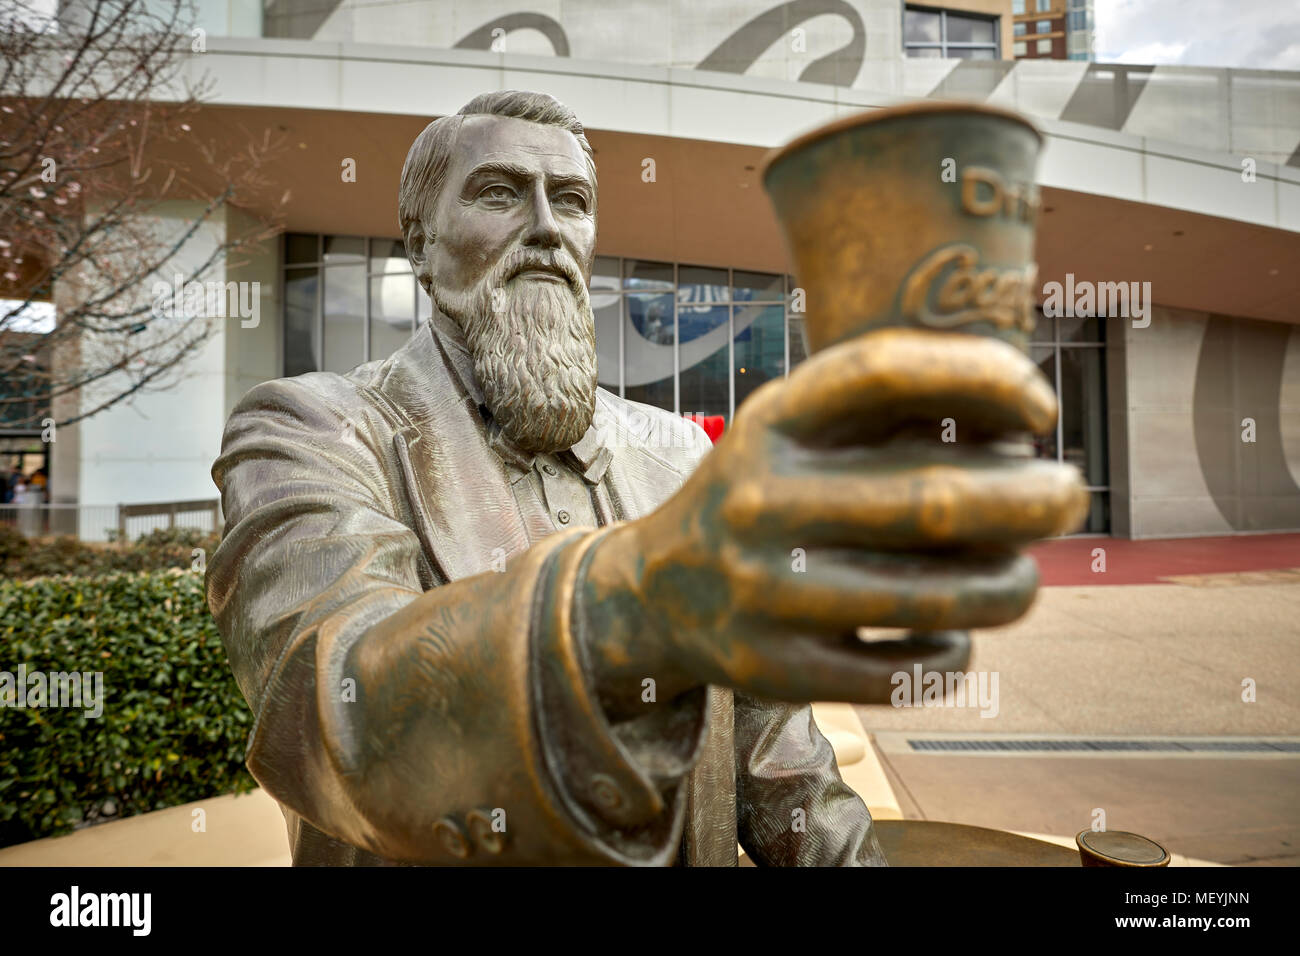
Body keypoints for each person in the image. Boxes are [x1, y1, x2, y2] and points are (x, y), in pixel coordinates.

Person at [207, 90, 1085, 866]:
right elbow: (330, 714)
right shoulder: (311, 428)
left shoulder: (680, 456)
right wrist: (632, 601)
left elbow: (782, 770)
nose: (547, 226)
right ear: (422, 245)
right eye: (500, 193)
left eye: (573, 201)